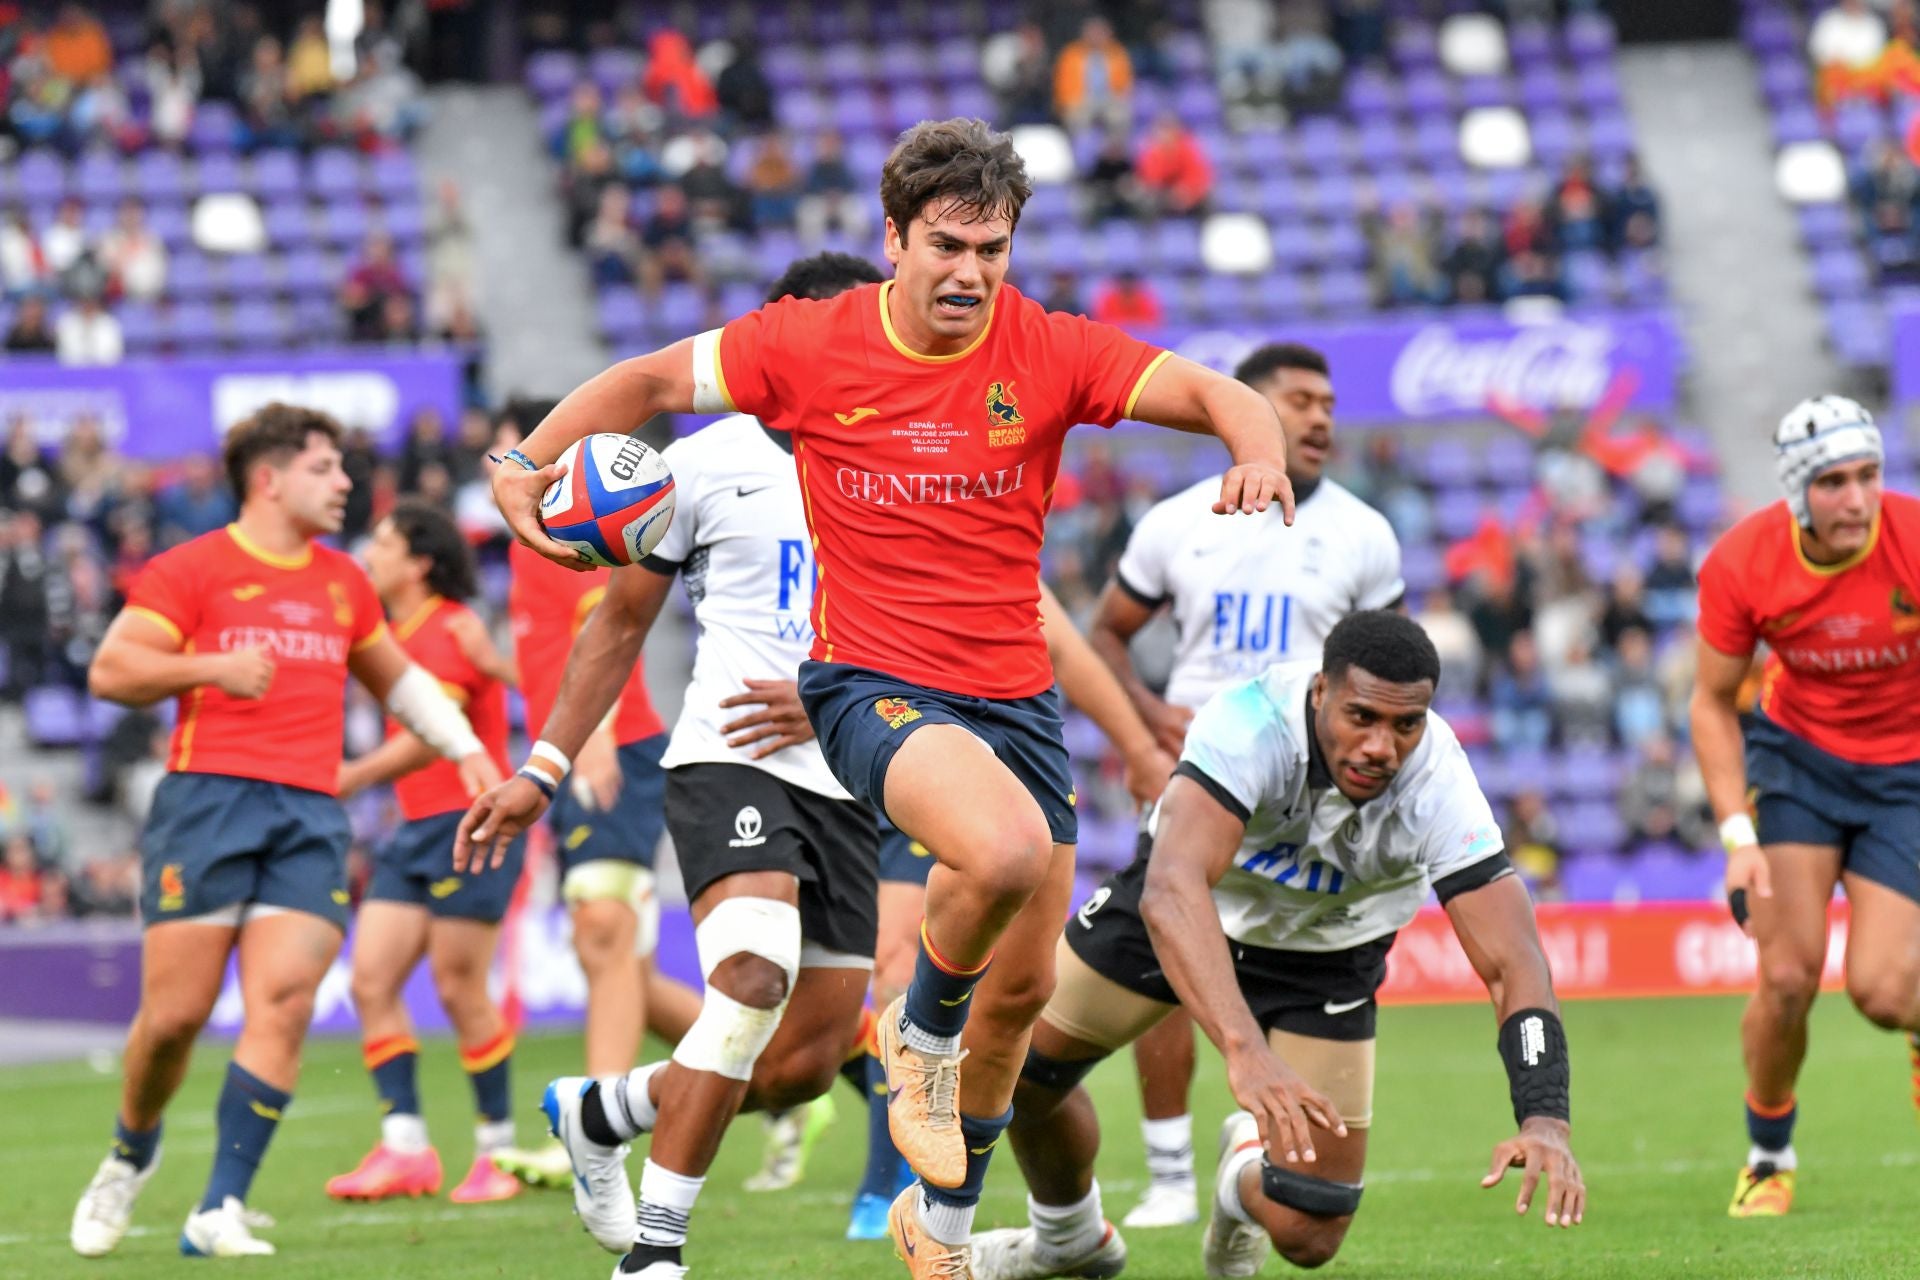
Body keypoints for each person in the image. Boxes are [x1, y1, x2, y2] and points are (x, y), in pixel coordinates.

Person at [484, 117, 1292, 1280]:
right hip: (866, 687)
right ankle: (908, 1039)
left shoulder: (1049, 348)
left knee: (1018, 997)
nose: (970, 271)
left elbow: (1220, 391)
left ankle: (944, 1221)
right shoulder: (807, 344)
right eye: (947, 245)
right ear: (894, 238)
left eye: (993, 248)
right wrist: (526, 460)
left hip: (1010, 697)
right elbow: (652, 377)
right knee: (1001, 852)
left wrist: (1251, 448)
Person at [972, 613, 1584, 1280]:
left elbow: (1513, 962)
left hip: (1329, 950)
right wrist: (1245, 1049)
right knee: (1011, 1074)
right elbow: (1171, 888)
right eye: (1362, 717)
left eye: (1405, 725)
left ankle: (1240, 1179)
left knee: (1310, 1233)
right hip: (1193, 914)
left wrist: (1545, 1114)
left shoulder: (1440, 781)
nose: (1383, 745)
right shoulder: (1250, 722)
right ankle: (1068, 1235)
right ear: (1321, 692)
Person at [68, 405, 497, 1259]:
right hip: (208, 805)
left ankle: (219, 1206)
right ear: (269, 478)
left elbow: (400, 683)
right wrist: (208, 667)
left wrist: (471, 752)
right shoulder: (192, 568)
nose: (345, 483)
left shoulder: (343, 582)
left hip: (307, 814)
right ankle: (131, 1149)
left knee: (287, 1001)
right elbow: (112, 669)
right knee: (174, 1018)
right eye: (325, 467)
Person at [1086, 341, 1403, 1229]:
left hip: (1309, 790)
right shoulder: (1176, 521)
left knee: (1283, 953)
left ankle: (1256, 1146)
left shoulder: (1364, 533)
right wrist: (1148, 715)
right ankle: (1168, 1172)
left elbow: (1392, 671)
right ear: (1246, 410)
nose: (1320, 418)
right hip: (1196, 775)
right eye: (1298, 400)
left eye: (1329, 403)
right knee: (1164, 956)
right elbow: (1105, 635)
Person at [1690, 395, 1920, 1218]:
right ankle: (1768, 1156)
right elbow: (1712, 703)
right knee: (1786, 976)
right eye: (1832, 482)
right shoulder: (1743, 562)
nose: (1856, 499)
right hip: (1800, 769)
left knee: (1886, 994)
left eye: (1867, 477)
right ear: (1797, 492)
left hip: (1907, 777)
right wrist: (1737, 836)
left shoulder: (1915, 537)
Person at [485, 408, 700, 1192]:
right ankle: (784, 1071)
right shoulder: (525, 542)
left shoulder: (569, 523)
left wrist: (596, 736)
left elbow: (602, 629)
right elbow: (551, 658)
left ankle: (595, 1128)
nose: (503, 465)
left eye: (518, 448)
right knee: (617, 964)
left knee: (603, 928)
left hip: (609, 748)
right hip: (570, 748)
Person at [323, 501, 525, 1206]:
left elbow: (431, 734)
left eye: (381, 543)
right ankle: (406, 1148)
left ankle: (498, 1153)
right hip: (415, 828)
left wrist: (349, 775)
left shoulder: (445, 627)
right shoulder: (392, 631)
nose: (367, 553)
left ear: (419, 564)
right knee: (371, 980)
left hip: (473, 821)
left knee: (458, 987)